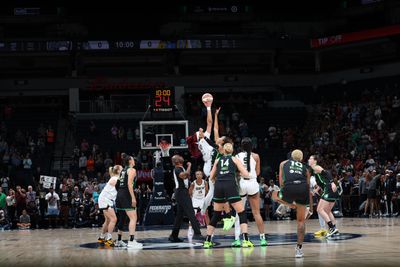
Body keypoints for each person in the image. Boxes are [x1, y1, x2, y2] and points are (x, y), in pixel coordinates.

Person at [203, 143, 253, 249]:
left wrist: (219, 177)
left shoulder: (217, 160)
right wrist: (241, 174)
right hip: (230, 185)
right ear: (232, 150)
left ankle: (207, 241)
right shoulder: (234, 159)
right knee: (242, 213)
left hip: (219, 186)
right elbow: (245, 173)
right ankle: (245, 240)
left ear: (224, 151)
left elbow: (211, 177)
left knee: (216, 215)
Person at [272, 150, 311, 258]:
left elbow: (281, 182)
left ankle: (290, 206)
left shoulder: (283, 164)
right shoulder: (306, 168)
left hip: (288, 188)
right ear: (301, 158)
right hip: (303, 189)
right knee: (301, 221)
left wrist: (286, 198)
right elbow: (308, 185)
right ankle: (299, 249)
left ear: (291, 157)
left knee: (274, 195)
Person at [231, 137, 267, 247]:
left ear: (241, 146)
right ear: (252, 145)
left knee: (239, 213)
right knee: (256, 213)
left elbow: (235, 171)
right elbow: (258, 172)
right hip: (252, 183)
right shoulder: (256, 156)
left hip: (242, 183)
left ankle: (237, 239)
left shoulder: (237, 156)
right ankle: (262, 239)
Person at [169, 155, 203, 242]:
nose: (181, 157)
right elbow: (185, 176)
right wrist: (189, 166)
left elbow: (187, 177)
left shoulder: (181, 168)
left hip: (182, 192)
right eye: (178, 157)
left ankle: (173, 235)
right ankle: (197, 234)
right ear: (177, 161)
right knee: (191, 212)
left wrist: (187, 171)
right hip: (181, 192)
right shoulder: (177, 169)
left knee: (179, 216)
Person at [308, 155, 340, 238]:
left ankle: (331, 228)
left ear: (315, 161)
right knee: (328, 211)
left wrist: (332, 182)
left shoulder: (316, 167)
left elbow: (327, 173)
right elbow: (323, 180)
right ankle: (334, 229)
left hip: (329, 189)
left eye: (310, 158)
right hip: (331, 189)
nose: (308, 160)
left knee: (319, 209)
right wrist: (317, 189)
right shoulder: (315, 169)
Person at [115, 155, 142, 249]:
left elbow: (117, 184)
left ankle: (119, 240)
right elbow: (129, 185)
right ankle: (131, 241)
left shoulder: (123, 170)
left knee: (122, 218)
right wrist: (133, 198)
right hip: (126, 195)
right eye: (133, 159)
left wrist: (120, 194)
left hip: (120, 194)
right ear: (130, 161)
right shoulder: (132, 170)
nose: (134, 160)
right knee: (134, 218)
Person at [97, 165, 122, 247]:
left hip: (105, 199)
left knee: (108, 220)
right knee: (114, 219)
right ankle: (108, 239)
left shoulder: (115, 178)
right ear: (118, 171)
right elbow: (121, 187)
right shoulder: (115, 179)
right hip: (105, 200)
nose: (123, 170)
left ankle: (101, 237)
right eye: (121, 169)